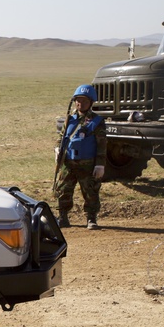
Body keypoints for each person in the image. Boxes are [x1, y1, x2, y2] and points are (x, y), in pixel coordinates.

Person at [55, 84, 106, 230]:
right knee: (63, 190)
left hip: (88, 164)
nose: (80, 103)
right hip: (68, 163)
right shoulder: (69, 119)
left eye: (84, 101)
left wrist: (100, 164)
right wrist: (57, 149)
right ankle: (63, 217)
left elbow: (102, 145)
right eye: (78, 100)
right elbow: (61, 137)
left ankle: (91, 218)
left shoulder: (97, 122)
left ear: (91, 102)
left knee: (90, 191)